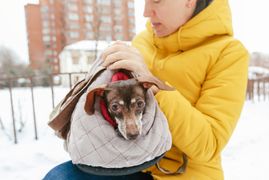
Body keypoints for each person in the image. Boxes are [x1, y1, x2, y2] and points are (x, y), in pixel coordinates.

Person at [44, 0, 248, 179]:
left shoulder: (228, 53)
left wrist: (153, 85)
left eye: (157, 1)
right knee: (59, 177)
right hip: (130, 162)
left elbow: (208, 145)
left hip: (181, 175)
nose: (146, 11)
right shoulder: (142, 41)